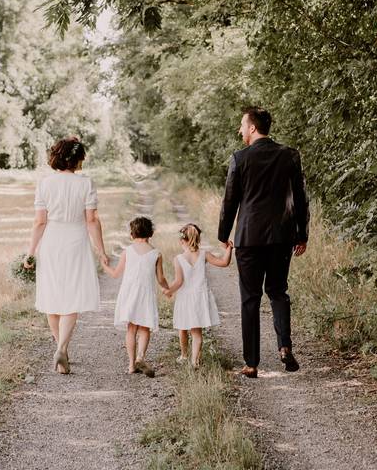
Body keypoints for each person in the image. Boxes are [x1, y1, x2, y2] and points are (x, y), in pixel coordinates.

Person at [218, 106, 310, 378]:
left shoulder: (240, 159)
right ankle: (284, 346)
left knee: (250, 298)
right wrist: (302, 234)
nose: (240, 130)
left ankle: (252, 363)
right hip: (282, 237)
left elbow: (230, 200)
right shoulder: (290, 156)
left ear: (253, 128)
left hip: (249, 238)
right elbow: (302, 198)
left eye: (242, 125)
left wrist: (224, 235)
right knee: (278, 291)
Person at [25, 136, 108, 374]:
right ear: (76, 159)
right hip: (76, 242)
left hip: (51, 242)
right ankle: (61, 348)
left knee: (52, 296)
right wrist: (101, 250)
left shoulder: (45, 183)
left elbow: (40, 221)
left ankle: (62, 350)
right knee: (72, 297)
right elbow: (91, 220)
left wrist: (30, 253)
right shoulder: (85, 184)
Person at [103, 216, 168, 377]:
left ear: (132, 234)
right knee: (145, 328)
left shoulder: (128, 251)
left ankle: (132, 365)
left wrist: (104, 266)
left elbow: (116, 273)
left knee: (131, 329)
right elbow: (160, 278)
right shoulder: (156, 254)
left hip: (129, 294)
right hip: (146, 294)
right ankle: (141, 357)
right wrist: (168, 289)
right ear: (151, 233)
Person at [162, 223, 233, 369]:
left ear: (183, 241)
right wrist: (229, 249)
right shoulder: (204, 254)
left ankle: (184, 355)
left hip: (185, 298)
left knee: (182, 327)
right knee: (196, 332)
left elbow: (179, 281)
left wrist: (169, 290)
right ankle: (195, 361)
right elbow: (224, 262)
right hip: (200, 297)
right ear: (198, 239)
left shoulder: (179, 258)